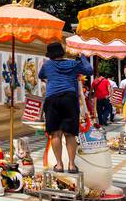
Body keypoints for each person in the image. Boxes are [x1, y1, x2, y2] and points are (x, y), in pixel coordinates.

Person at [39, 42, 92, 173]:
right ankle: (72, 165)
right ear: (62, 53)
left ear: (50, 55)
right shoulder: (73, 64)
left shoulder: (47, 65)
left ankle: (59, 165)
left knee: (55, 133)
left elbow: (41, 76)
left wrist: (51, 80)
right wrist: (82, 56)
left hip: (52, 99)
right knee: (70, 134)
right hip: (69, 99)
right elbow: (89, 70)